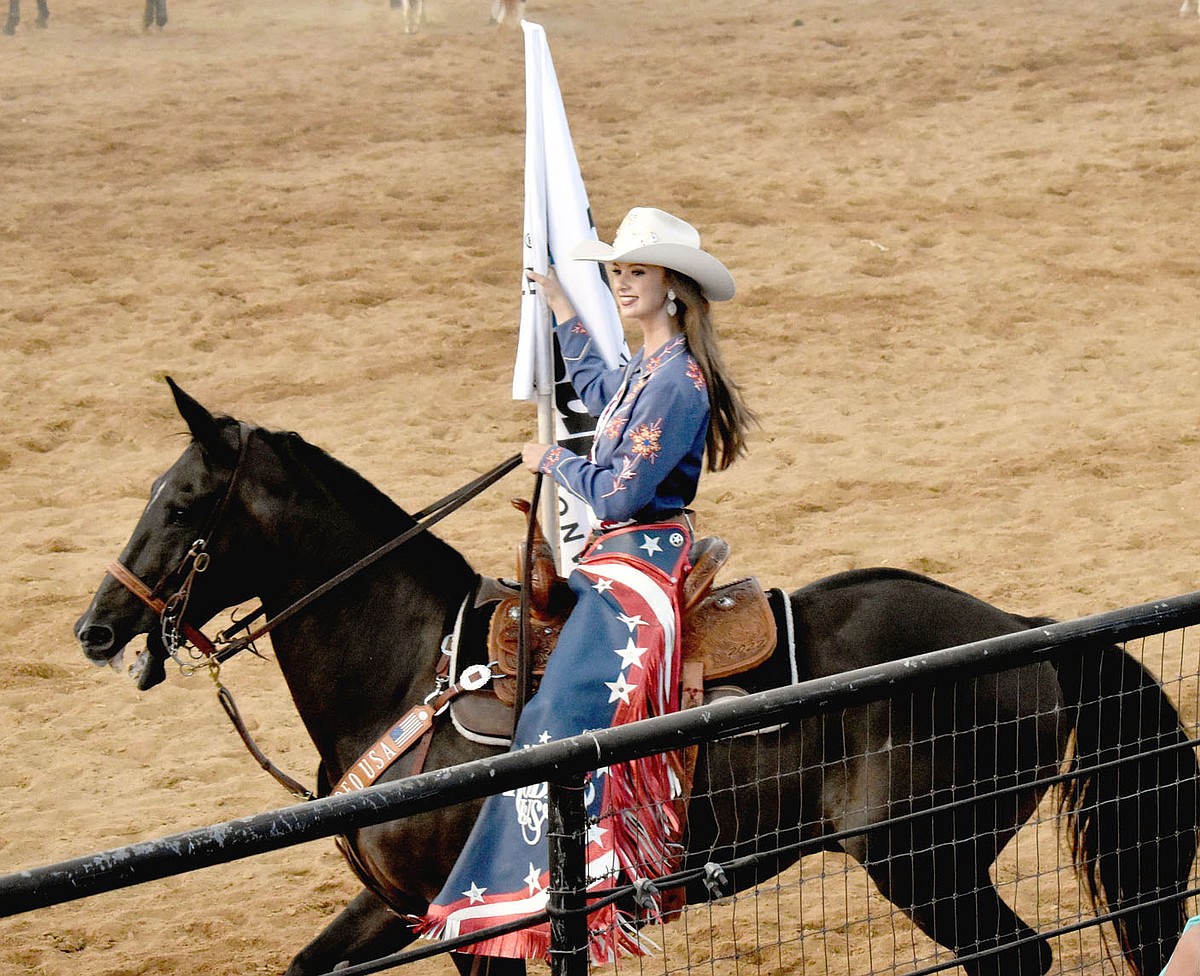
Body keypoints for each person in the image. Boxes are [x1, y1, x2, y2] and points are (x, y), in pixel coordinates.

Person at [417, 207, 755, 961]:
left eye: (636, 272)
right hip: (615, 558)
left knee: (562, 710)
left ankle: (581, 881)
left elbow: (620, 495)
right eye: (618, 273)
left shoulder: (680, 384)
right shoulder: (650, 368)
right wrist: (567, 310)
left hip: (640, 564)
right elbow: (604, 390)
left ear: (674, 286)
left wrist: (552, 462)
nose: (624, 284)